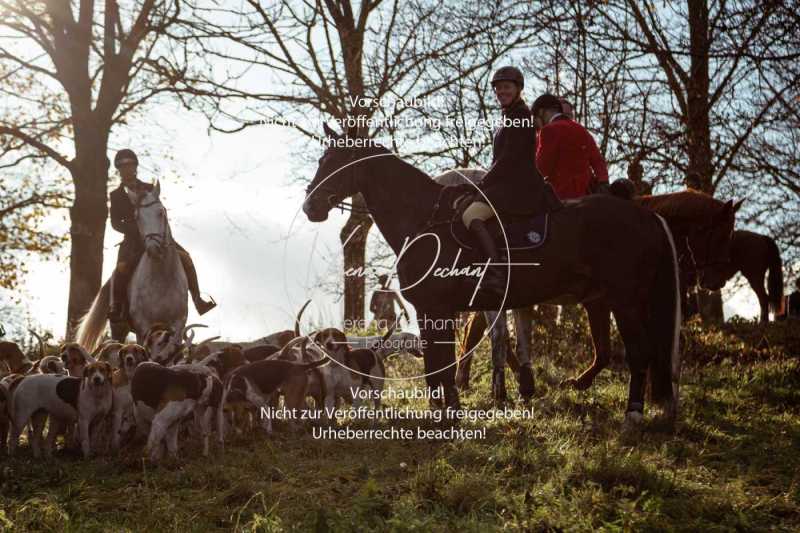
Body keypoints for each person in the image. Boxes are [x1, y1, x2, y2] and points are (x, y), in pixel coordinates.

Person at [456, 66, 544, 297]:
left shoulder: (521, 116)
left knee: (471, 216)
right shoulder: (509, 117)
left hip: (518, 186)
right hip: (507, 183)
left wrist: (484, 183)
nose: (501, 92)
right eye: (498, 88)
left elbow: (510, 158)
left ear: (518, 89)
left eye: (506, 87)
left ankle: (495, 272)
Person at [108, 149, 216, 321]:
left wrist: (156, 229)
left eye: (130, 166)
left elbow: (160, 212)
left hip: (158, 235)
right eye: (123, 167)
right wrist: (135, 229)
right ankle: (117, 306)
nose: (127, 170)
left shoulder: (150, 188)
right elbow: (115, 223)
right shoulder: (116, 195)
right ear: (119, 171)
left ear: (135, 167)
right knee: (120, 269)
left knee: (186, 258)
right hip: (133, 242)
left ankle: (198, 300)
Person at [533, 93, 609, 200]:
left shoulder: (547, 130)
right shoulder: (581, 129)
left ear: (541, 112)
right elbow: (598, 160)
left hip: (562, 197)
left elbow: (542, 168)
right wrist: (603, 182)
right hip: (587, 195)